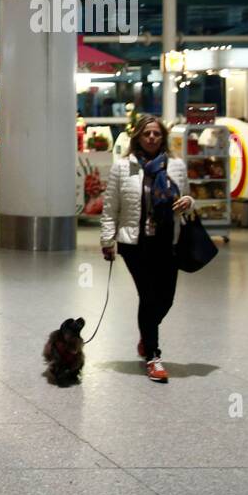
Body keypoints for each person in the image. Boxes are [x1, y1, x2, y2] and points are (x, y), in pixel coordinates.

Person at [100, 115, 193, 383]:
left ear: (162, 137)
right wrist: (108, 241)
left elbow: (187, 197)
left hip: (168, 241)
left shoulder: (176, 166)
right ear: (137, 137)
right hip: (134, 243)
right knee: (149, 296)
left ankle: (146, 332)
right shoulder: (123, 167)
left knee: (166, 299)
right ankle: (153, 355)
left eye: (156, 134)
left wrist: (188, 202)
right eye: (146, 134)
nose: (151, 138)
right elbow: (111, 207)